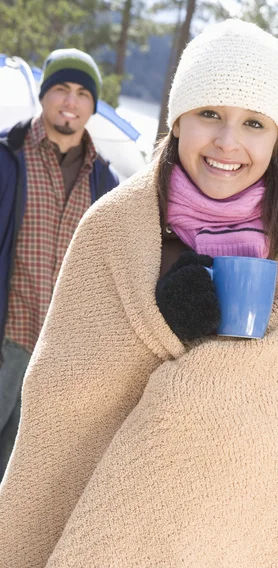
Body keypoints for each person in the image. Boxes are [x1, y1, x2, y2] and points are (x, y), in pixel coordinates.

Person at [0, 20, 278, 567]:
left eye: (254, 122)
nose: (228, 143)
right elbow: (60, 408)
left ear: (276, 136)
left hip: (231, 543)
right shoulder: (112, 229)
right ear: (178, 118)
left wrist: (206, 386)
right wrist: (167, 331)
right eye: (210, 113)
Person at [0, 48, 119, 478]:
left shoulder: (106, 183)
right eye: (62, 89)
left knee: (18, 479)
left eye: (83, 93)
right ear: (45, 95)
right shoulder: (5, 156)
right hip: (5, 344)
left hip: (58, 361)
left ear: (93, 105)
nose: (71, 102)